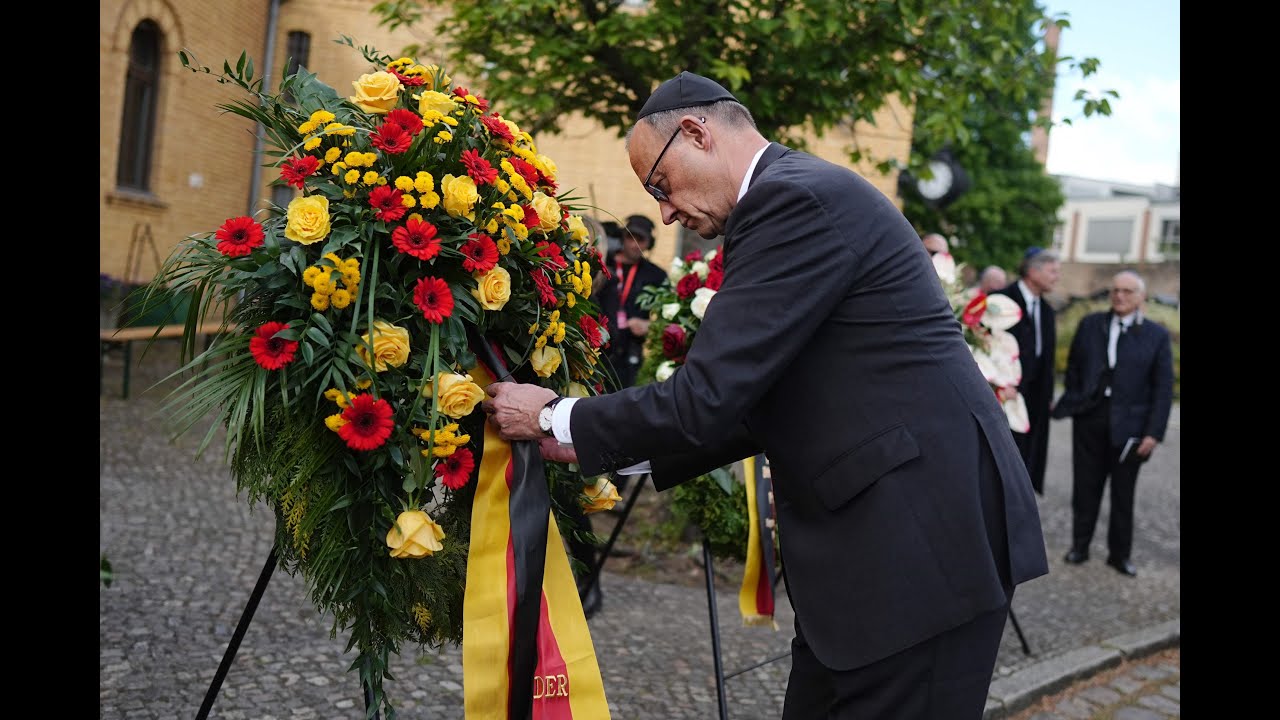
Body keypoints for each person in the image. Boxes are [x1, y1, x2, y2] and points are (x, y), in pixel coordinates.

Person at [482, 70, 1047, 719]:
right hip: (880, 556)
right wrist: (591, 443)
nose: (664, 211)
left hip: (919, 557)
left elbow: (709, 397)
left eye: (660, 186)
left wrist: (556, 415)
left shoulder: (790, 201)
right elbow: (757, 401)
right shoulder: (796, 194)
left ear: (696, 132)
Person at [1051, 270, 1173, 577]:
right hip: (1091, 419)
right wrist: (1079, 398)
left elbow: (1163, 388)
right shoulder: (1091, 325)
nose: (1119, 296)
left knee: (1123, 493)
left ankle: (1120, 555)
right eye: (1115, 290)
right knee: (1085, 488)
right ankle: (1080, 546)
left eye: (1128, 291)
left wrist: (1153, 433)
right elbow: (1075, 367)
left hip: (1131, 427)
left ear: (1141, 297)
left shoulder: (1156, 336)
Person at [991, 247, 1061, 495]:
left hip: (1036, 397)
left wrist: (1049, 396)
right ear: (1033, 270)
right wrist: (996, 385)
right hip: (1005, 394)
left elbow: (1047, 359)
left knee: (1028, 461)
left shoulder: (1047, 311)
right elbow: (983, 345)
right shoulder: (1000, 301)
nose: (1057, 277)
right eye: (1053, 271)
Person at [592, 214, 668, 389]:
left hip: (630, 357)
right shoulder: (601, 264)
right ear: (622, 237)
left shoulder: (656, 275)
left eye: (641, 239)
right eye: (630, 237)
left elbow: (667, 319)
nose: (635, 244)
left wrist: (648, 325)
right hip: (596, 350)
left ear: (650, 243)